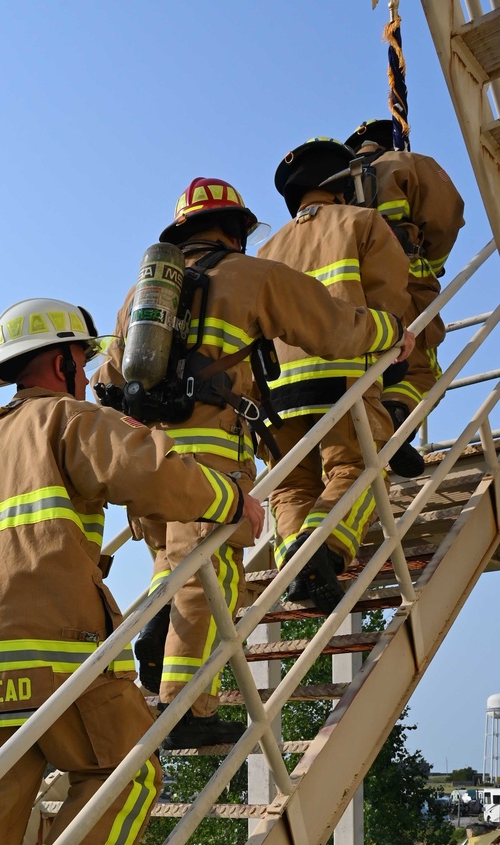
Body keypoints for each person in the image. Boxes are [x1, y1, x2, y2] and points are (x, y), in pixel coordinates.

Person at [0, 296, 264, 845]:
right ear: (68, 360)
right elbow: (149, 471)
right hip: (51, 661)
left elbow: (11, 548)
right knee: (127, 773)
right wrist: (231, 499)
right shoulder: (67, 420)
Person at [93, 176, 412, 738]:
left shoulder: (139, 299)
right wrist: (391, 330)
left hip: (145, 461)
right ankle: (187, 709)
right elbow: (333, 329)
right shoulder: (250, 275)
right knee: (209, 578)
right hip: (211, 457)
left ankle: (154, 629)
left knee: (173, 570)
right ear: (238, 228)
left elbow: (108, 380)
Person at [260, 138, 412, 613]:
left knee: (290, 487)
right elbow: (389, 308)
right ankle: (321, 552)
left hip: (274, 393)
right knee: (360, 470)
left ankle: (296, 565)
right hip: (342, 378)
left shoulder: (264, 251)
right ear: (344, 184)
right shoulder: (363, 222)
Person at [343, 118, 465, 476]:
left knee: (372, 369)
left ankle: (373, 432)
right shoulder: (407, 164)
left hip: (351, 292)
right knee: (422, 370)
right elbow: (447, 218)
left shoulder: (335, 183)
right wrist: (432, 266)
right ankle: (393, 429)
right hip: (405, 281)